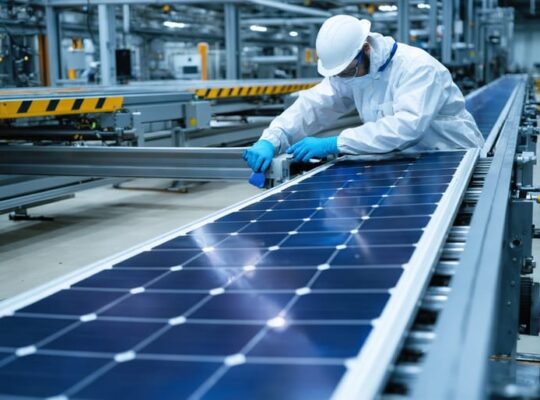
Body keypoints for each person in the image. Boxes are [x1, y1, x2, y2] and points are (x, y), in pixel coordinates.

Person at [243, 15, 484, 173]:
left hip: (454, 160)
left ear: (365, 49)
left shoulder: (417, 67)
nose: (342, 79)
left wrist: (335, 143)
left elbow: (407, 127)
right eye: (338, 74)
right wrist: (273, 138)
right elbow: (314, 105)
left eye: (346, 71)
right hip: (406, 164)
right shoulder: (353, 72)